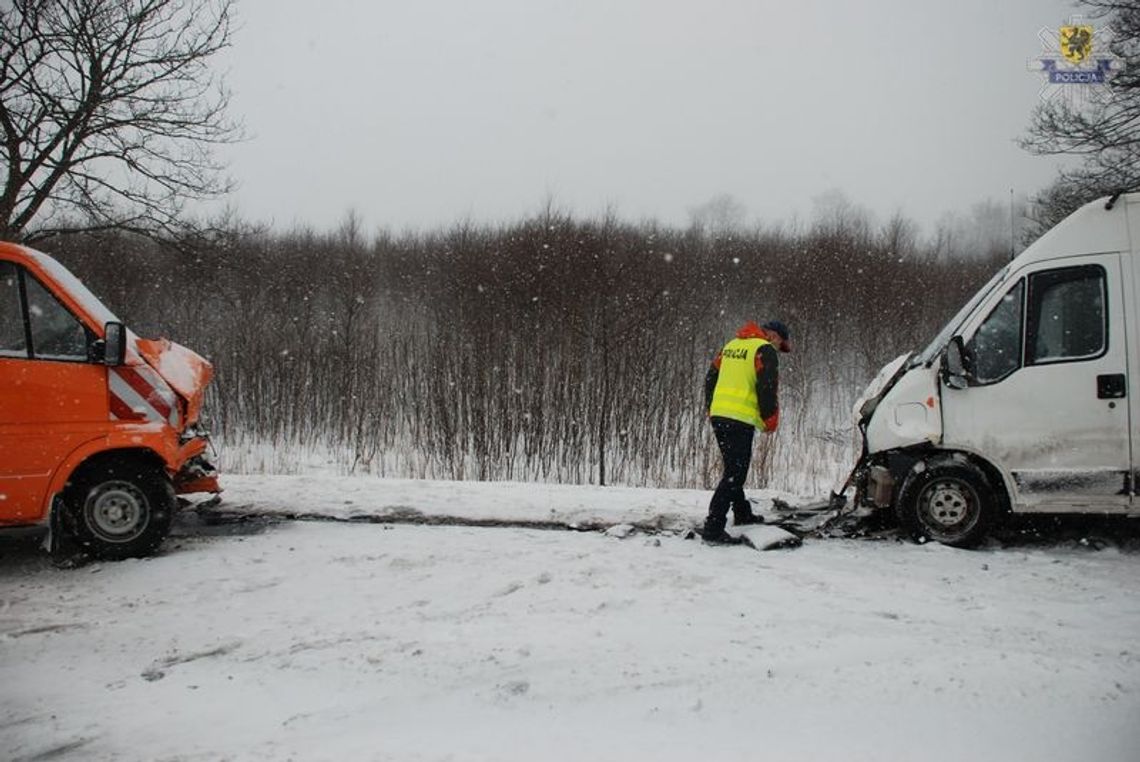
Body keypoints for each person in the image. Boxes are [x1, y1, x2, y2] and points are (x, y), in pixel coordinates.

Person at [701, 319, 791, 543]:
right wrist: (770, 418)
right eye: (781, 344)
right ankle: (713, 528)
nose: (778, 350)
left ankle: (742, 512)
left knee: (734, 466)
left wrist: (711, 407)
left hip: (720, 415)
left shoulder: (731, 346)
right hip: (740, 418)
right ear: (774, 336)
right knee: (735, 473)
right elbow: (767, 386)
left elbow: (710, 377)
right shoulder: (764, 350)